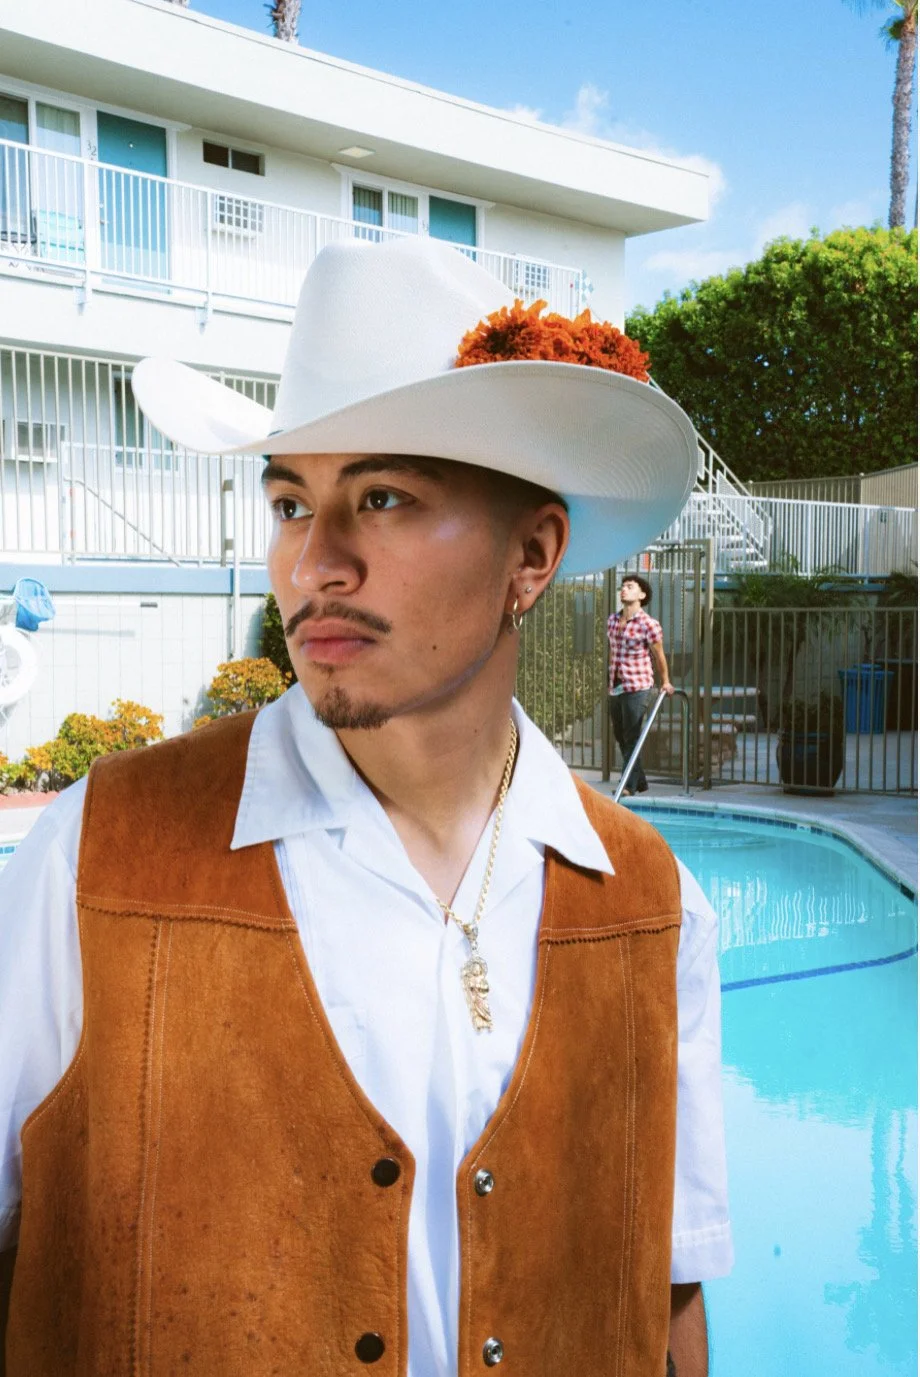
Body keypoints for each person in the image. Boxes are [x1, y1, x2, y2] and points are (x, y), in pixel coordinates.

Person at [0, 238, 731, 1377]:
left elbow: (666, 1291)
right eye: (292, 502)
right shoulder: (96, 852)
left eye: (381, 497)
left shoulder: (649, 900)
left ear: (530, 556)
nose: (315, 564)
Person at [608, 573, 675, 795]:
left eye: (630, 586)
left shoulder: (649, 624)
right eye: (623, 586)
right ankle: (641, 781)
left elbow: (659, 655)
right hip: (616, 687)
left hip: (638, 686)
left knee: (632, 736)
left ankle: (627, 785)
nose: (624, 590)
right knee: (620, 735)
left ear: (642, 595)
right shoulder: (612, 621)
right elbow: (613, 653)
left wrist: (665, 681)